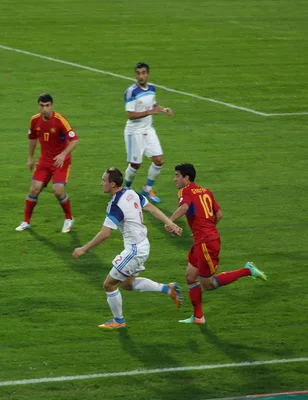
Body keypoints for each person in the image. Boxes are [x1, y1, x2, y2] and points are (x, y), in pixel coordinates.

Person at [72, 167, 183, 329]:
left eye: (104, 181)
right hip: (143, 244)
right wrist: (170, 223)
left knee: (109, 285)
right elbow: (151, 208)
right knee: (127, 284)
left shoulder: (115, 205)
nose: (101, 183)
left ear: (113, 184)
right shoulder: (131, 193)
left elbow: (105, 234)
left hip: (134, 250)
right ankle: (168, 288)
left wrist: (83, 249)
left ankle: (118, 321)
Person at [169, 163, 267, 325]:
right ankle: (198, 317)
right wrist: (206, 230)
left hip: (205, 243)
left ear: (187, 178)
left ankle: (247, 270)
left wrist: (170, 222)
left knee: (209, 283)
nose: (175, 179)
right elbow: (219, 215)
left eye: (177, 175)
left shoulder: (185, 191)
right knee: (190, 276)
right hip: (203, 239)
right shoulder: (206, 191)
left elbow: (185, 207)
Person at [15, 93, 78, 233]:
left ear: (52, 106)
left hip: (60, 162)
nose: (44, 109)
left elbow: (74, 140)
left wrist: (63, 155)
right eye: (42, 106)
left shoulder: (60, 120)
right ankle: (26, 221)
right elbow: (32, 138)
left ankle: (69, 218)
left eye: (47, 106)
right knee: (34, 189)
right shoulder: (35, 120)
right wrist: (30, 157)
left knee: (58, 190)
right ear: (38, 106)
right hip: (44, 161)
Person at [122, 62, 174, 203]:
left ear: (148, 74)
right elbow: (130, 115)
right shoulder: (131, 92)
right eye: (138, 73)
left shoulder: (152, 88)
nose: (141, 76)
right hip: (134, 132)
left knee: (159, 160)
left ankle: (147, 188)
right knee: (135, 165)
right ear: (135, 74)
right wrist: (150, 112)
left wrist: (163, 109)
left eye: (143, 73)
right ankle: (125, 190)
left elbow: (153, 105)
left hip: (148, 130)